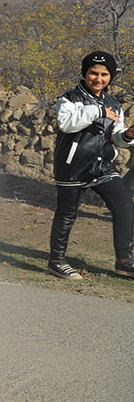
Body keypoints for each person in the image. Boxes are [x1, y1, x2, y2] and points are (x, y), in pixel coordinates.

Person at [48, 51, 134, 279]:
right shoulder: (69, 98)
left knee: (124, 204)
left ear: (111, 77)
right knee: (67, 213)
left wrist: (127, 135)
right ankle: (57, 261)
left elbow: (115, 136)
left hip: (103, 166)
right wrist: (97, 111)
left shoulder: (114, 104)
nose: (98, 78)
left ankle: (124, 260)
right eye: (93, 73)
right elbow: (67, 124)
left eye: (104, 74)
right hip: (73, 165)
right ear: (85, 73)